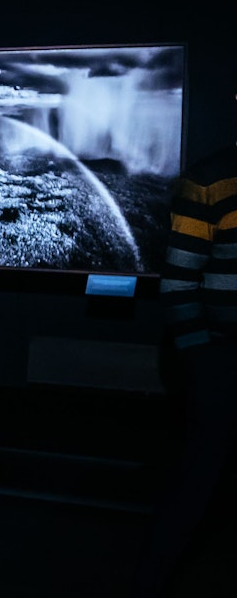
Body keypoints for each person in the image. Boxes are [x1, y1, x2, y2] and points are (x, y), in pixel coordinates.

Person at [134, 93, 237, 596]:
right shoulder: (211, 179)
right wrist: (205, 362)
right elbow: (177, 284)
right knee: (194, 484)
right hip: (221, 359)